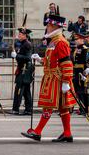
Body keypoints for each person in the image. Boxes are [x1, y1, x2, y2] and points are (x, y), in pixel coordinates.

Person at [21, 13, 76, 143]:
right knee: (62, 107)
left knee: (48, 105)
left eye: (49, 26)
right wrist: (40, 59)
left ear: (54, 26)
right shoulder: (54, 42)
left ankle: (38, 131)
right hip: (52, 77)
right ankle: (67, 133)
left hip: (57, 78)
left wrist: (66, 82)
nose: (47, 28)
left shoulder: (61, 42)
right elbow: (51, 60)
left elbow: (67, 63)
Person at [10, 26, 34, 116]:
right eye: (19, 34)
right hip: (22, 68)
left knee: (19, 89)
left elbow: (28, 58)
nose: (18, 35)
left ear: (25, 35)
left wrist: (16, 56)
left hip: (25, 70)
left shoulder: (27, 44)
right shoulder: (22, 44)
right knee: (26, 91)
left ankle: (16, 109)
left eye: (20, 34)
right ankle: (28, 109)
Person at [71, 32, 89, 115]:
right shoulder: (77, 48)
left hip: (81, 72)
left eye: (77, 39)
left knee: (81, 91)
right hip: (76, 71)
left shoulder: (85, 49)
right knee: (77, 90)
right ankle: (80, 107)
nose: (75, 41)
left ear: (82, 39)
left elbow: (86, 62)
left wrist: (85, 74)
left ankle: (83, 108)